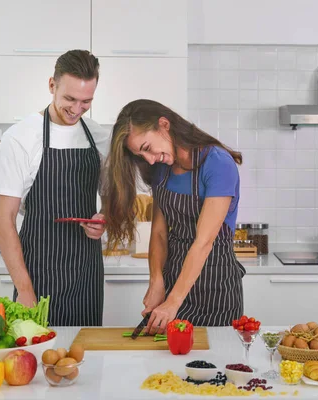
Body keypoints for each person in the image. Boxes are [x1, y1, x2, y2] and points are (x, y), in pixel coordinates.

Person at [0, 50, 109, 326]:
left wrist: (105, 216)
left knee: (82, 355)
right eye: (70, 99)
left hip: (86, 272)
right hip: (37, 272)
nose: (77, 109)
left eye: (86, 101)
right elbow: (3, 221)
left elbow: (113, 195)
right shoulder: (19, 138)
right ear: (52, 85)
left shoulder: (98, 136)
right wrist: (25, 289)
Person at [103, 99, 245, 332]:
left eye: (147, 148)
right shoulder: (162, 169)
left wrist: (173, 303)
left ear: (164, 124)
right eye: (141, 154)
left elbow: (203, 242)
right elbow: (159, 233)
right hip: (173, 285)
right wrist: (156, 281)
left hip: (215, 291)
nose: (149, 159)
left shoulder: (217, 164)